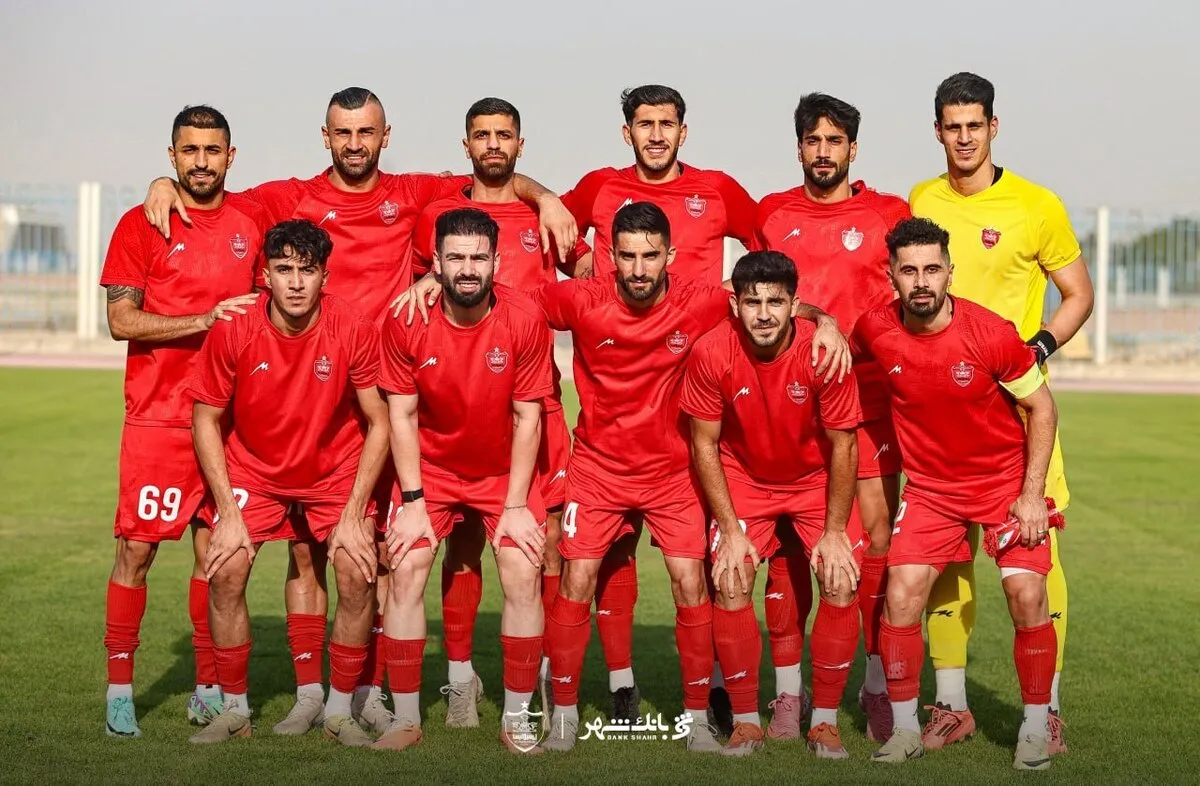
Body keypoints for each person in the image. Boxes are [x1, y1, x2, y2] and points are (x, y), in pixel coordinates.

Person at [141, 87, 578, 737]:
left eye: (365, 132)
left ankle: (368, 691)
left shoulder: (414, 192)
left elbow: (493, 175)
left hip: (389, 395)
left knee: (376, 555)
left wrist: (546, 197)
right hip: (319, 397)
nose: (354, 143)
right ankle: (297, 694)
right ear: (326, 137)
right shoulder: (291, 197)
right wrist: (164, 182)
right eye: (342, 133)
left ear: (384, 135)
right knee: (310, 557)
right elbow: (216, 197)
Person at [558, 84, 761, 728]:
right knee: (609, 558)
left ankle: (717, 689)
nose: (655, 134)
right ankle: (619, 684)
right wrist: (583, 262)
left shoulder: (718, 189)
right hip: (618, 383)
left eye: (665, 123)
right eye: (643, 124)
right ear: (627, 133)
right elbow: (547, 231)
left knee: (698, 565)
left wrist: (743, 302)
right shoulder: (599, 187)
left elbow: (768, 251)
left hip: (695, 394)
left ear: (683, 130)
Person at [909, 72, 1093, 754]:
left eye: (974, 125)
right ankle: (952, 705)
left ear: (993, 127)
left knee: (1038, 549)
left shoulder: (1036, 205)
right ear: (937, 131)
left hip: (1017, 416)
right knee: (945, 558)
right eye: (952, 127)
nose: (964, 138)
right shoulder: (921, 200)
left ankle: (1047, 710)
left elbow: (1078, 293)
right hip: (939, 423)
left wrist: (1038, 347)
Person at [408, 98, 591, 724]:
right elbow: (418, 286)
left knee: (545, 544)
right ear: (466, 145)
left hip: (535, 404)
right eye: (482, 135)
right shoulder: (438, 215)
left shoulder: (545, 214)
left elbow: (589, 271)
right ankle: (460, 678)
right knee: (460, 545)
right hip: (459, 404)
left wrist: (552, 206)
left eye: (503, 135)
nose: (493, 144)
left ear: (520, 143)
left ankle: (543, 674)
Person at [854, 217, 1060, 771]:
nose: (921, 281)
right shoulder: (875, 329)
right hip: (931, 489)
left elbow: (1042, 408)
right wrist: (817, 322)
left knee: (1026, 595)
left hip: (1003, 483)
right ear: (891, 276)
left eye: (932, 269)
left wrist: (1032, 495)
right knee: (901, 594)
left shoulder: (990, 333)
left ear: (950, 272)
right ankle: (904, 731)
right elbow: (841, 358)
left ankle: (1036, 729)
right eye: (909, 271)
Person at [186, 218, 390, 745]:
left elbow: (380, 421)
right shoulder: (234, 328)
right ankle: (235, 709)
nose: (296, 283)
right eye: (283, 270)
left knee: (356, 572)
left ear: (325, 276)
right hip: (255, 469)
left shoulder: (353, 327)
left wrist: (354, 513)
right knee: (225, 569)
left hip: (332, 471)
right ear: (265, 276)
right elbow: (205, 419)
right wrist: (229, 513)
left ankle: (338, 711)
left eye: (307, 270)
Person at [99, 105, 268, 738]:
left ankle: (206, 689)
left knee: (216, 557)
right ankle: (120, 693)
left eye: (212, 149)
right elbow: (121, 321)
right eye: (189, 150)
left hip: (228, 424)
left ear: (231, 156)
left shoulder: (252, 222)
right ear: (172, 157)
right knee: (136, 552)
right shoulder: (141, 223)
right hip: (159, 419)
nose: (202, 161)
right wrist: (204, 319)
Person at [755, 92, 910, 741]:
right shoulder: (772, 213)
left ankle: (873, 684)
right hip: (787, 408)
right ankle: (789, 696)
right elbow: (752, 292)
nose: (824, 152)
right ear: (799, 147)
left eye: (835, 141)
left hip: (868, 404)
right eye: (813, 140)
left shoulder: (889, 214)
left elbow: (909, 297)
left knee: (872, 543)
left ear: (853, 148)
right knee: (790, 552)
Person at [374, 208, 552, 755]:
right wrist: (412, 501)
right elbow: (401, 415)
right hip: (431, 470)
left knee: (522, 570)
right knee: (406, 567)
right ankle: (406, 720)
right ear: (436, 262)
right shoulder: (405, 319)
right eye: (456, 257)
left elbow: (528, 418)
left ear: (497, 261)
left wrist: (516, 505)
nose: (468, 269)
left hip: (502, 472)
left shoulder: (524, 319)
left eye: (478, 258)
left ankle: (516, 720)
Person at [682, 250, 864, 758]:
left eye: (775, 302)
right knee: (731, 576)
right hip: (745, 479)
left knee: (841, 577)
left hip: (813, 480)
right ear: (735, 305)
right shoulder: (711, 351)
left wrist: (834, 531)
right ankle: (745, 723)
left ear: (794, 305)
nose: (763, 314)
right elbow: (704, 445)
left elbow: (845, 445)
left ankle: (824, 722)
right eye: (752, 302)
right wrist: (729, 529)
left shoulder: (823, 353)